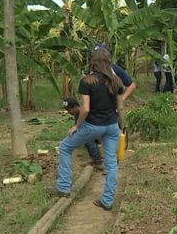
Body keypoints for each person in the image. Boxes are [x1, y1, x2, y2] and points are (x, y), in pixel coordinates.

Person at [53, 49, 125, 211]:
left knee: (65, 147)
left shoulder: (87, 81)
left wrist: (77, 126)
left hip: (93, 126)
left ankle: (63, 187)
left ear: (92, 62)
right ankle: (107, 201)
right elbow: (120, 107)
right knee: (111, 163)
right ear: (108, 62)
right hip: (112, 126)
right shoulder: (117, 81)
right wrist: (122, 126)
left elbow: (85, 109)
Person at [62, 96, 102, 167]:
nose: (68, 112)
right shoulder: (77, 114)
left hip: (101, 129)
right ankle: (94, 156)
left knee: (87, 138)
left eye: (68, 110)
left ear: (74, 107)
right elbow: (77, 127)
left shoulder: (84, 112)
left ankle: (97, 160)